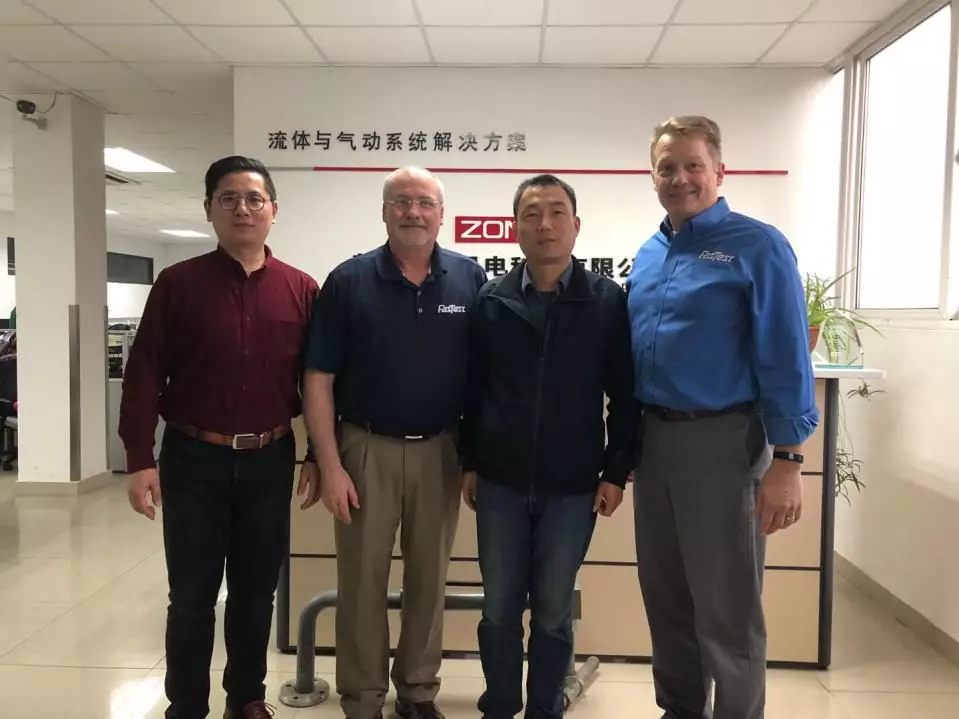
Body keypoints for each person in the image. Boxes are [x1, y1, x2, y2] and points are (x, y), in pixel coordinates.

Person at [626, 115, 819, 719]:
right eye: (667, 168)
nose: (680, 178)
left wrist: (788, 461)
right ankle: (680, 709)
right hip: (654, 445)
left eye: (693, 165)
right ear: (652, 177)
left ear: (718, 172)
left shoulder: (757, 246)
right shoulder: (650, 253)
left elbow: (786, 355)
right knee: (666, 598)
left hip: (723, 445)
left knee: (727, 606)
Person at [119, 155, 321, 719]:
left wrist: (315, 453)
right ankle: (186, 705)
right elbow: (144, 372)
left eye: (254, 199)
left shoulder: (301, 289)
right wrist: (138, 458)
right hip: (191, 459)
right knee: (191, 596)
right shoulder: (177, 284)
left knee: (256, 593)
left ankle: (246, 697)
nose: (242, 209)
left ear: (274, 210)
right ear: (208, 209)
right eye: (228, 198)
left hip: (269, 459)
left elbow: (317, 382)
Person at [302, 166, 487, 719]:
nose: (413, 212)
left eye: (425, 202)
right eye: (401, 201)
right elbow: (318, 378)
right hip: (364, 450)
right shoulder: (348, 280)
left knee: (428, 582)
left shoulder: (469, 278)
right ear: (384, 212)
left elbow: (484, 379)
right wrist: (329, 463)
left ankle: (418, 692)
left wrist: (474, 459)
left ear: (441, 214)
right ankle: (362, 699)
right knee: (362, 582)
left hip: (441, 451)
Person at [460, 174, 638, 719]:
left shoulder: (606, 301)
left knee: (554, 610)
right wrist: (470, 462)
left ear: (576, 225)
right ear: (514, 227)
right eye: (532, 214)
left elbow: (625, 394)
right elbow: (472, 389)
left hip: (573, 485)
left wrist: (615, 471)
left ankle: (545, 709)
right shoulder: (491, 299)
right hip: (500, 482)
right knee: (498, 608)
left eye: (557, 212)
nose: (545, 224)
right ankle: (499, 704)